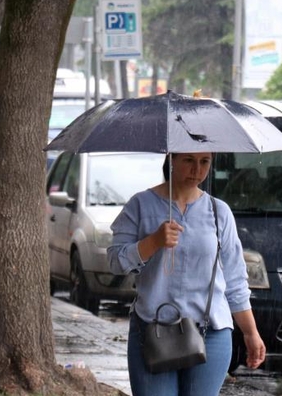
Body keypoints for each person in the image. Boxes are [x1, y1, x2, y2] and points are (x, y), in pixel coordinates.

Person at [108, 152, 266, 396]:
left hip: (211, 332)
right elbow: (115, 262)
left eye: (205, 162)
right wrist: (152, 243)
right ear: (172, 159)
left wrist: (251, 332)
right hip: (154, 329)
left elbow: (235, 280)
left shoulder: (219, 211)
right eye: (189, 160)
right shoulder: (141, 205)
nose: (197, 170)